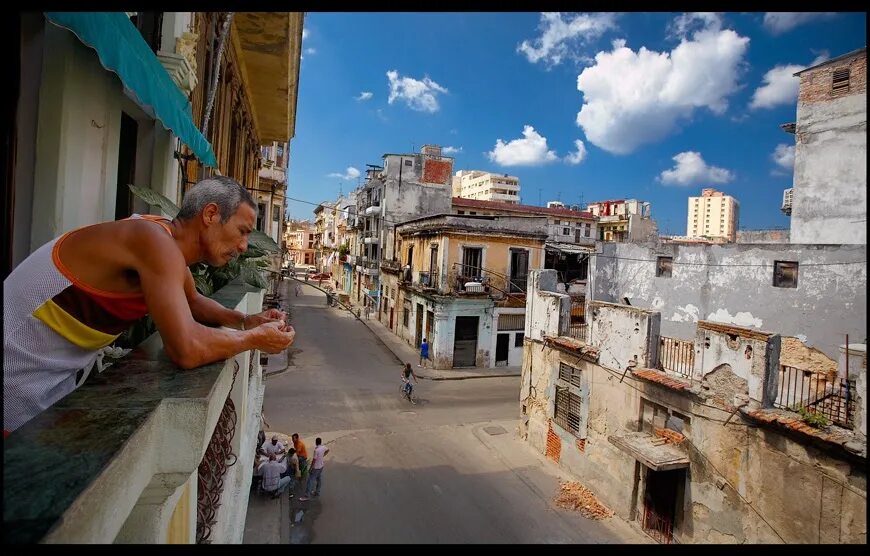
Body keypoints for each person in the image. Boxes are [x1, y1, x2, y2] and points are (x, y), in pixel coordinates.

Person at [3, 176, 296, 435]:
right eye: (243, 230)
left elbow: (193, 300)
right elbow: (187, 349)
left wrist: (246, 321)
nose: (245, 245)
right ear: (210, 214)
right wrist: (253, 340)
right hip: (16, 377)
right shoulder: (154, 241)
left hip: (48, 379)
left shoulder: (161, 237)